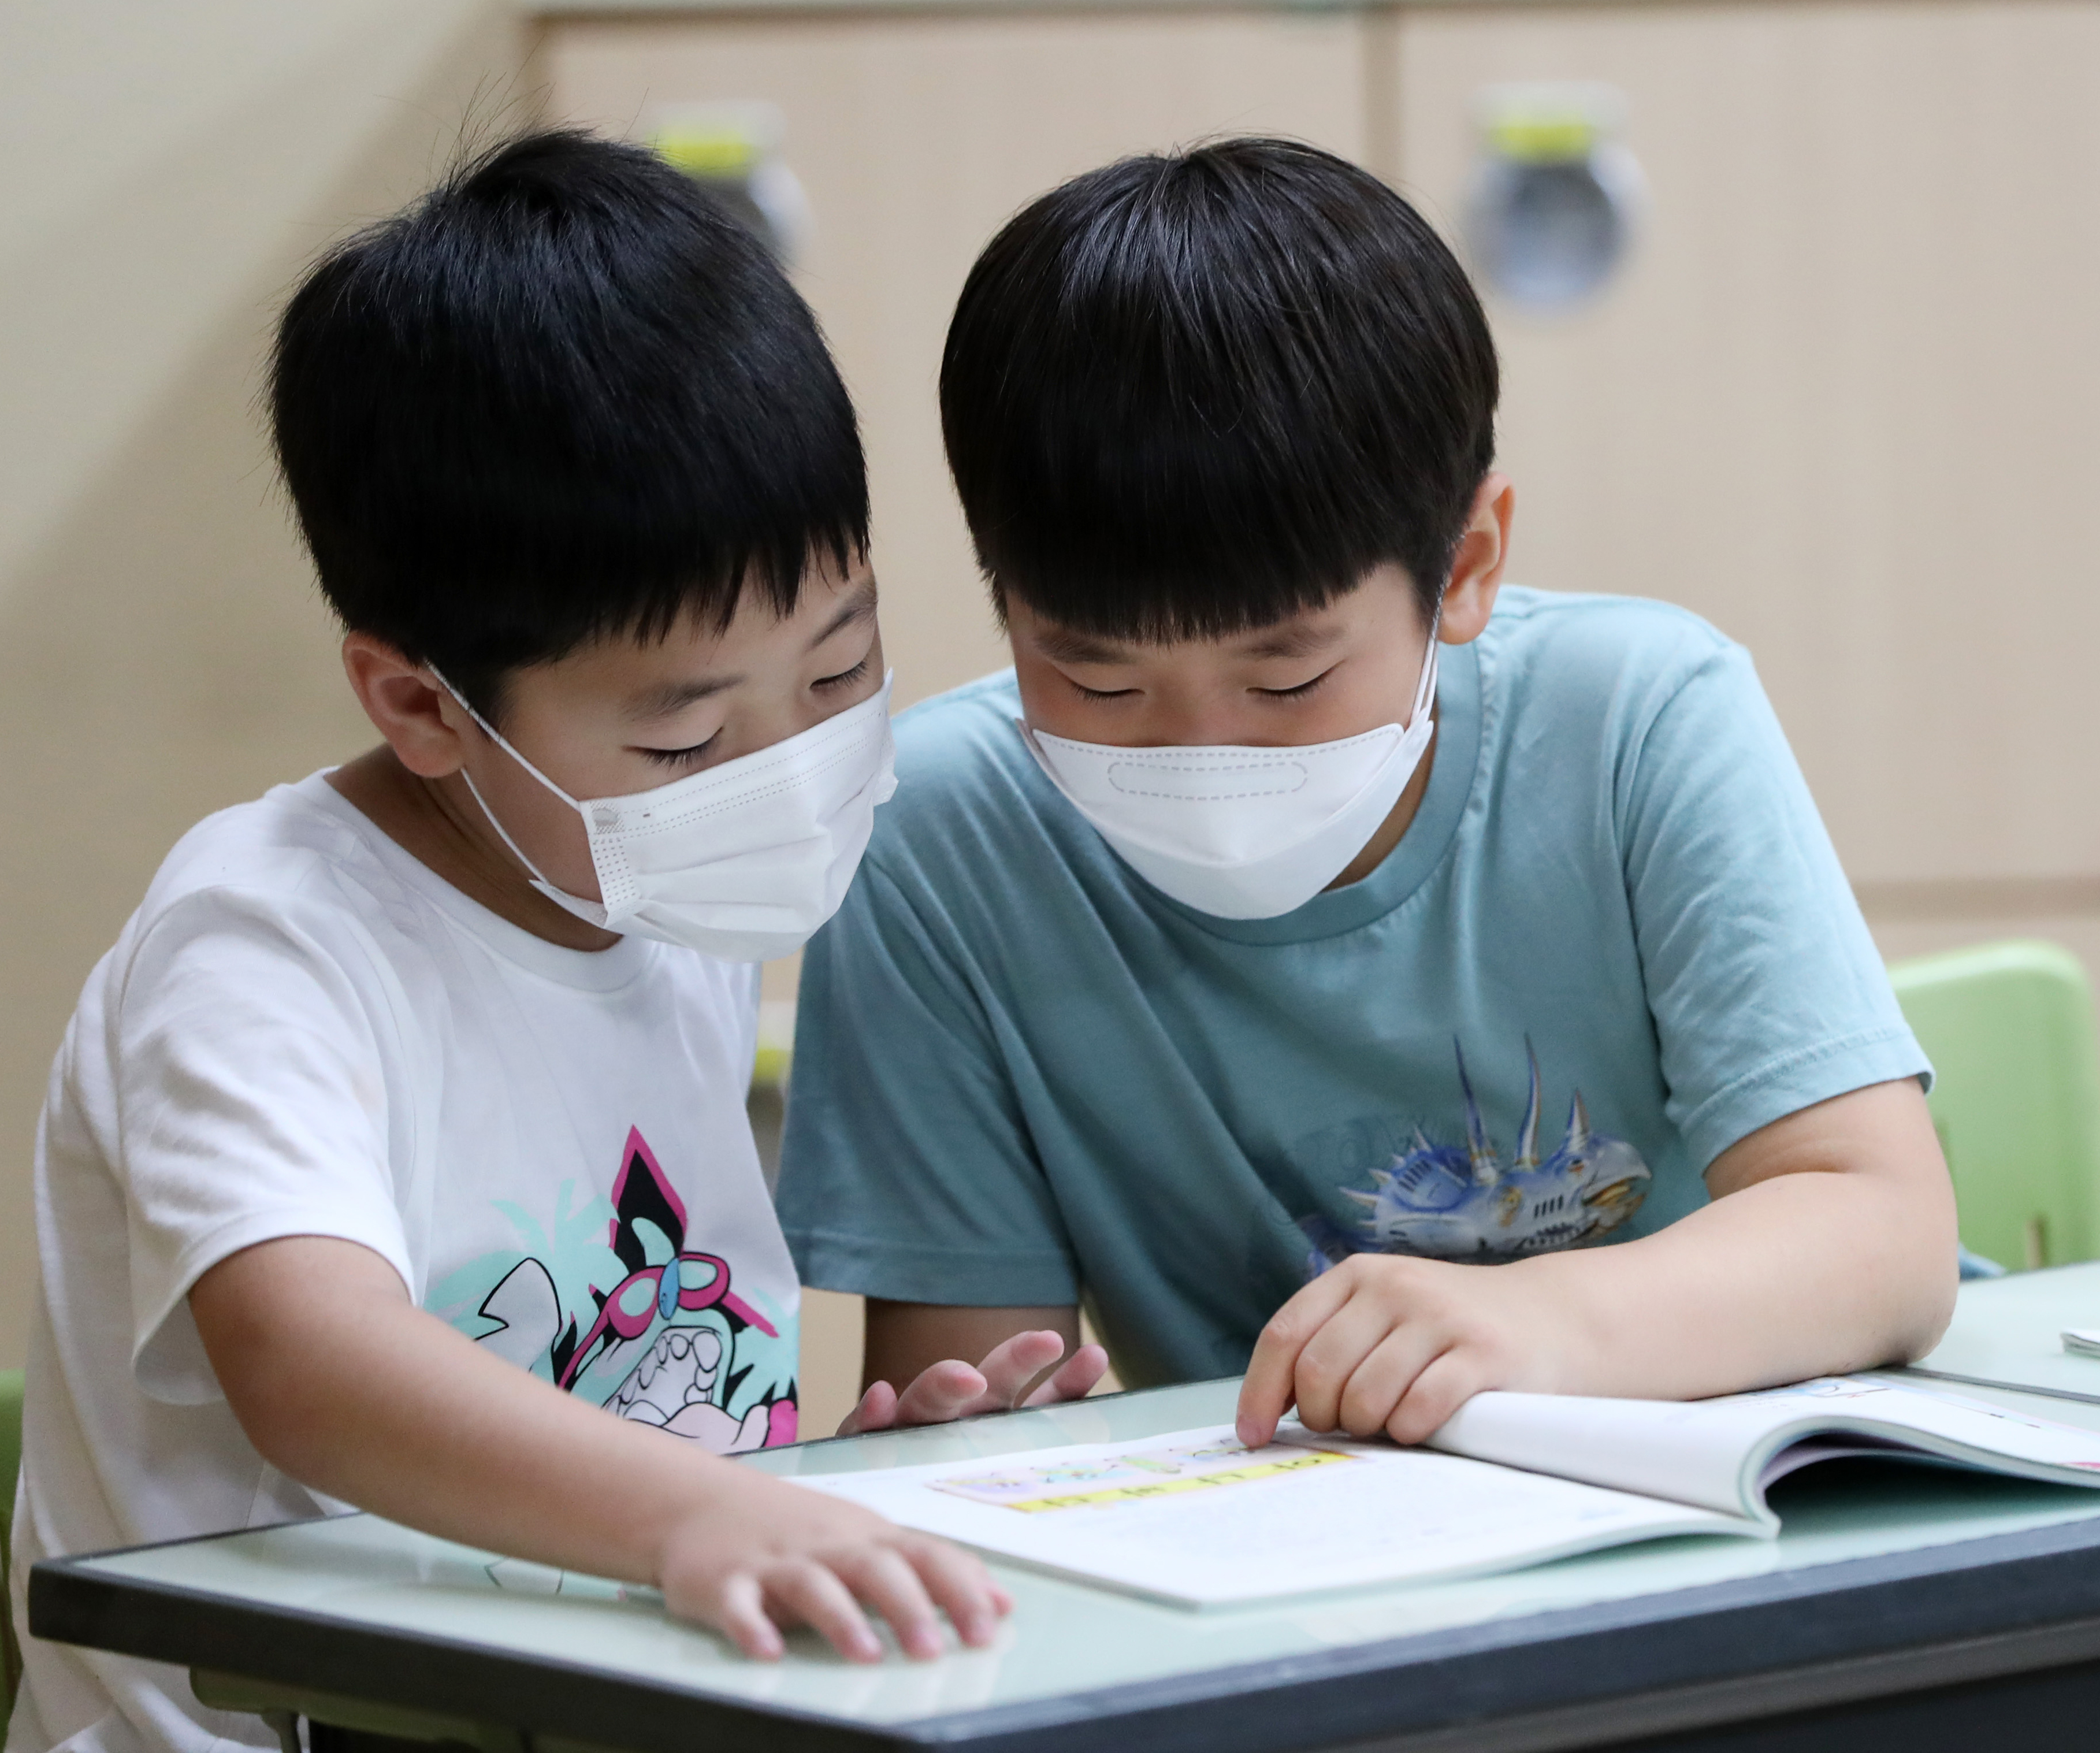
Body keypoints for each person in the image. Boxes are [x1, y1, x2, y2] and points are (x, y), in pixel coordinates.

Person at [6, 131, 1103, 1753]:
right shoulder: (264, 944)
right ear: (421, 705)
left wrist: (845, 1489)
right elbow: (314, 1363)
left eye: (836, 670)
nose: (783, 773)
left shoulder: (649, 893)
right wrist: (686, 1517)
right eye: (681, 744)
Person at [775, 137, 1959, 1453]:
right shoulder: (939, 839)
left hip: (1722, 1474)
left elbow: (1884, 1230)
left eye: (1286, 679)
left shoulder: (1633, 715)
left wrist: (1542, 1325)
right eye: (1097, 684)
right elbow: (980, 1395)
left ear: (1466, 565)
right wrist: (969, 1437)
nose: (1198, 753)